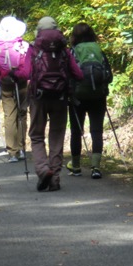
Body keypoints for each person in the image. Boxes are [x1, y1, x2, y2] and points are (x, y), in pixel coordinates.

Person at [28, 16, 83, 192]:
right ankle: (55, 178)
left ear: (39, 30)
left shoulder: (34, 49)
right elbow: (78, 74)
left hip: (38, 98)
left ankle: (43, 170)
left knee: (37, 136)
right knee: (57, 136)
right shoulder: (64, 50)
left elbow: (25, 72)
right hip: (60, 97)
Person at [67, 23, 113, 179]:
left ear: (74, 36)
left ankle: (76, 166)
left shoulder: (73, 52)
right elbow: (109, 75)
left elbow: (68, 74)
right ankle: (96, 167)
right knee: (96, 131)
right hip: (98, 96)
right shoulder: (98, 50)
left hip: (77, 97)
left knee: (75, 132)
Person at [0, 16, 30, 163]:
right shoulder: (24, 45)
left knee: (9, 116)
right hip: (21, 82)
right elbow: (28, 66)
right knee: (22, 115)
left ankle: (12, 152)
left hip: (5, 83)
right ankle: (21, 149)